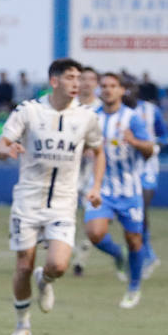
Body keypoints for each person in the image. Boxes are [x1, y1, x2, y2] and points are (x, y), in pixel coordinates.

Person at [0, 57, 103, 335]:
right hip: (28, 201)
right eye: (70, 77)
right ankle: (22, 324)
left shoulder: (87, 117)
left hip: (64, 203)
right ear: (54, 81)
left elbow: (99, 150)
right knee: (23, 266)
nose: (76, 83)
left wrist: (96, 186)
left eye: (78, 77)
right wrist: (6, 150)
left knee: (58, 265)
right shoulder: (29, 111)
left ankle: (46, 280)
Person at [84, 72, 155, 309]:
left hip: (129, 189)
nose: (107, 90)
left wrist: (135, 142)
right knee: (94, 233)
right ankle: (117, 254)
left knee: (135, 240)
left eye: (113, 86)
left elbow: (150, 149)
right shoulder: (93, 118)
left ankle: (134, 287)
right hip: (101, 187)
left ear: (122, 90)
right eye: (104, 86)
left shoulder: (132, 119)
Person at [134, 84, 168, 279]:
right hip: (126, 170)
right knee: (132, 215)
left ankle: (147, 256)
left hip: (147, 167)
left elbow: (164, 135)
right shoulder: (117, 112)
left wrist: (153, 147)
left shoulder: (151, 110)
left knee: (141, 210)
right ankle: (144, 255)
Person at [70, 65, 102, 277]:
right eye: (83, 79)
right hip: (69, 170)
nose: (86, 83)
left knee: (91, 221)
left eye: (91, 79)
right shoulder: (70, 107)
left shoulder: (101, 109)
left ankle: (81, 257)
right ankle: (68, 253)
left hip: (92, 173)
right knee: (65, 215)